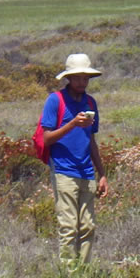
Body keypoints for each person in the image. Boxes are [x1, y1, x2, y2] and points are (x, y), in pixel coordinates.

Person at [41, 53, 108, 267]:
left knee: (88, 226)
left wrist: (102, 174)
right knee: (69, 226)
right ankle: (69, 273)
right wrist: (71, 124)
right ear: (69, 78)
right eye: (78, 78)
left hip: (86, 171)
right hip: (63, 170)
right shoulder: (55, 101)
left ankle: (84, 271)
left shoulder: (90, 102)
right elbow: (47, 138)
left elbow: (91, 140)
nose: (82, 82)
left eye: (85, 78)